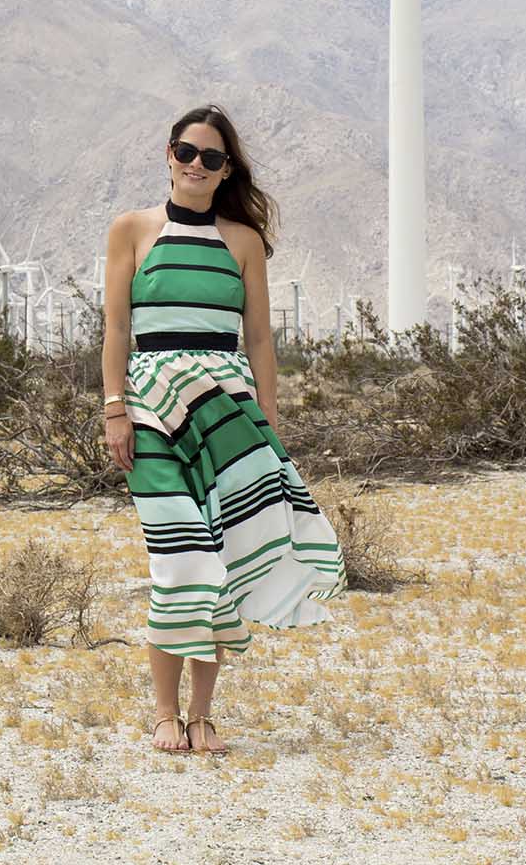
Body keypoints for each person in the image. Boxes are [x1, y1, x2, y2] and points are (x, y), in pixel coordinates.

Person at [101, 103, 347, 755]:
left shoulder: (242, 242)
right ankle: (162, 711)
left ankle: (202, 714)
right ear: (169, 153)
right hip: (153, 412)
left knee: (223, 562)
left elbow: (261, 337)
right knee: (178, 563)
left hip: (228, 415)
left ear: (226, 168)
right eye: (187, 152)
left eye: (211, 157)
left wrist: (265, 421)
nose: (196, 166)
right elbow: (117, 330)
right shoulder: (130, 230)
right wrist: (113, 408)